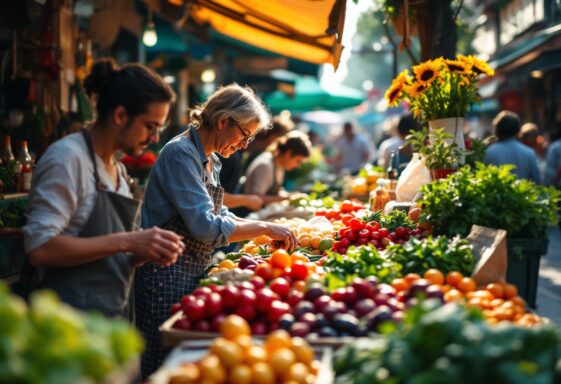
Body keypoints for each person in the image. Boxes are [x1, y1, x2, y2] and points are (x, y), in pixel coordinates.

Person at [134, 84, 298, 377]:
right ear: (223, 121)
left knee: (186, 367)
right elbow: (205, 226)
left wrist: (265, 229)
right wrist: (263, 226)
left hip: (188, 269)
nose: (245, 145)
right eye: (244, 135)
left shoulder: (211, 160)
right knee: (160, 363)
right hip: (163, 272)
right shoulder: (180, 154)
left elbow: (221, 214)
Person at [21, 58, 185, 318]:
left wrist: (144, 251)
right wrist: (128, 240)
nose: (154, 138)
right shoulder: (68, 158)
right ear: (120, 115)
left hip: (112, 319)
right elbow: (40, 248)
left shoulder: (118, 170)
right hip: (68, 325)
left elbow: (112, 255)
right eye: (150, 127)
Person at [243, 131, 312, 205]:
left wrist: (291, 195)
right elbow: (255, 198)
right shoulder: (266, 166)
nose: (298, 166)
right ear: (288, 153)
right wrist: (287, 198)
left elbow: (276, 192)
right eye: (298, 161)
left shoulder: (279, 165)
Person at [484, 110, 541, 183]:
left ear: (496, 130)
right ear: (517, 130)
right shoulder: (529, 153)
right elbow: (537, 182)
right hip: (523, 194)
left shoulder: (489, 153)